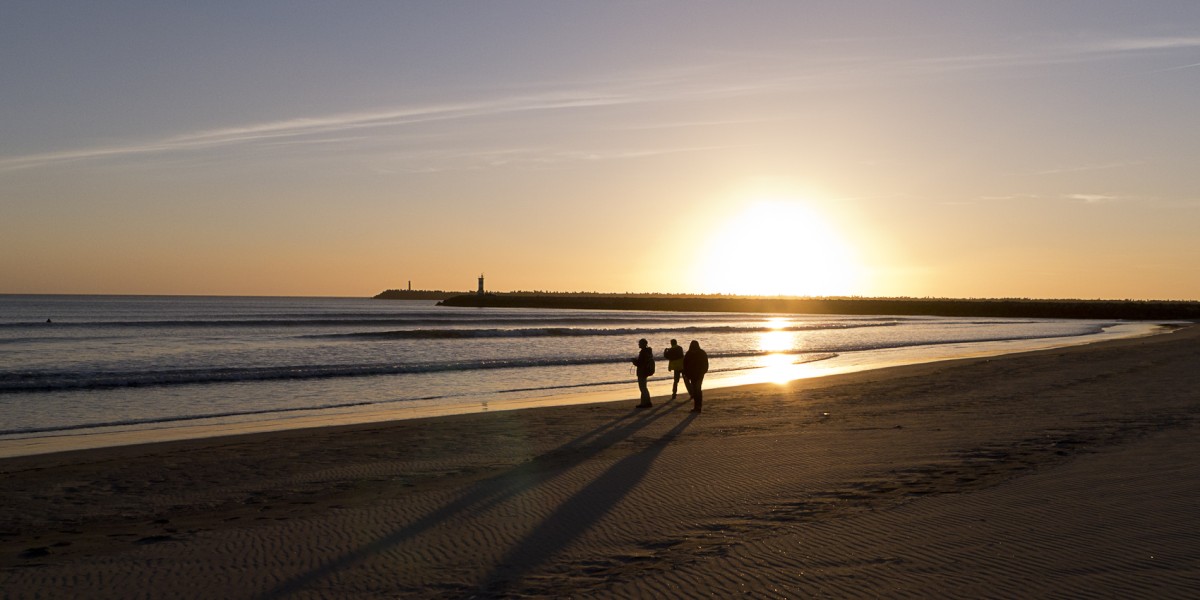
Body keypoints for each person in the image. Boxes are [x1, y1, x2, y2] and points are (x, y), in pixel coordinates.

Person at [683, 340, 709, 413]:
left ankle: (698, 407)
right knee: (696, 390)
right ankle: (697, 406)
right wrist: (686, 374)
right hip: (694, 375)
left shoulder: (690, 353)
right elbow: (685, 365)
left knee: (697, 390)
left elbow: (685, 365)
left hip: (697, 375)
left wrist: (686, 374)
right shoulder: (701, 353)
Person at [631, 338, 655, 408]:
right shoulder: (648, 351)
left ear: (643, 344)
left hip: (642, 372)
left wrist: (634, 361)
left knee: (643, 388)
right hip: (645, 371)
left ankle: (647, 403)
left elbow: (640, 363)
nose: (639, 344)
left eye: (640, 343)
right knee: (643, 387)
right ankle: (643, 403)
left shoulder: (643, 352)